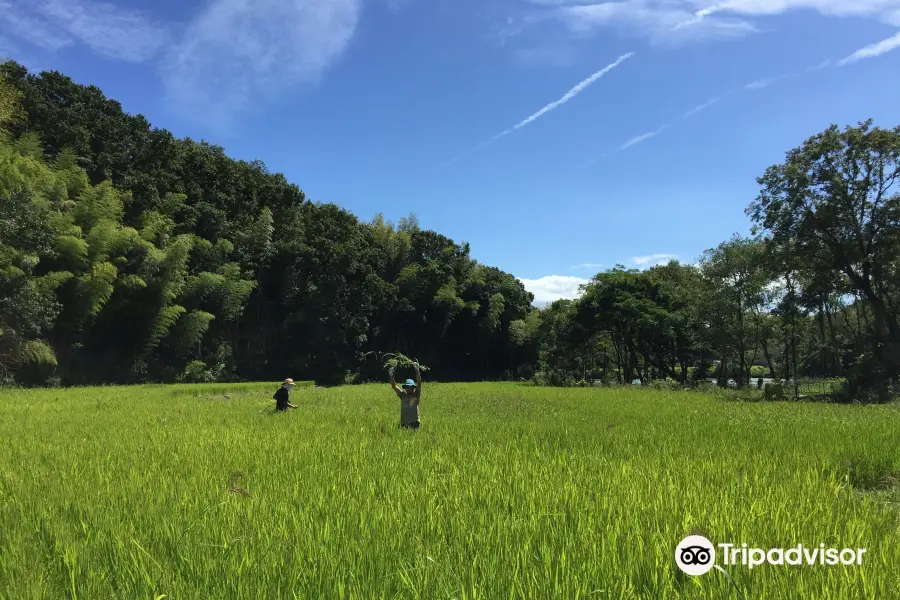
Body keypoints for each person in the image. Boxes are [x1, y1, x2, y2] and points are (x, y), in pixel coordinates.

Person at [390, 364, 422, 430]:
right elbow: (394, 386)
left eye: (409, 387)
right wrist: (391, 375)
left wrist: (417, 370)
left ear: (413, 387)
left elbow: (419, 383)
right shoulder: (402, 395)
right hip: (404, 424)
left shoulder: (416, 395)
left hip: (414, 423)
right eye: (406, 387)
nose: (408, 388)